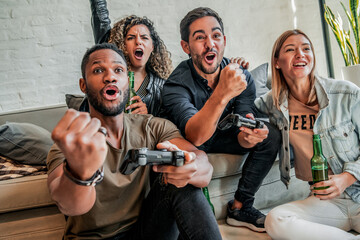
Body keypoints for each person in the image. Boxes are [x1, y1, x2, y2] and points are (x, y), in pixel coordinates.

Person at [47, 43, 222, 240]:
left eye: (118, 70)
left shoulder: (153, 127)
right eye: (98, 70)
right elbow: (70, 206)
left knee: (182, 182)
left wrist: (188, 166)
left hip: (145, 232)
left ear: (126, 82)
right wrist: (80, 173)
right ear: (83, 85)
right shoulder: (73, 144)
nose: (110, 77)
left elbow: (203, 165)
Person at [161, 7, 281, 232]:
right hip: (194, 139)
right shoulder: (175, 84)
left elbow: (243, 129)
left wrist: (249, 138)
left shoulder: (241, 76)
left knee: (271, 134)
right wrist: (223, 92)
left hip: (225, 133)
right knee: (195, 144)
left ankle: (240, 207)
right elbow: (195, 136)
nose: (210, 44)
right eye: (199, 37)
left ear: (224, 40)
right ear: (186, 46)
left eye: (215, 36)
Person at [254, 29, 360, 240]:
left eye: (306, 49)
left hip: (358, 191)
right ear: (277, 62)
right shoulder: (271, 103)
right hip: (325, 202)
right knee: (276, 220)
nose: (300, 54)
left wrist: (347, 177)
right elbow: (244, 112)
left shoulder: (346, 94)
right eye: (290, 50)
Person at [83, 0, 173, 116]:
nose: (138, 42)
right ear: (122, 45)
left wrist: (148, 117)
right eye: (131, 38)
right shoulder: (109, 78)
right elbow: (101, 19)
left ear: (152, 47)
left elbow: (169, 127)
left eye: (144, 38)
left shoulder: (162, 86)